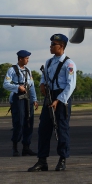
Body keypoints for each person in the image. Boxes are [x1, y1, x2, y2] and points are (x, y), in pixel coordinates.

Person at [28, 34, 76, 172]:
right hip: (49, 96)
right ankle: (42, 160)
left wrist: (59, 100)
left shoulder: (69, 64)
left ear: (61, 46)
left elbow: (70, 85)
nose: (51, 46)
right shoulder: (49, 62)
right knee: (44, 129)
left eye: (53, 44)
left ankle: (62, 159)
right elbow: (44, 76)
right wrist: (42, 84)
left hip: (62, 98)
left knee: (62, 129)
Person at [3, 50, 39, 157]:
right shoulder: (12, 70)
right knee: (19, 122)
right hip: (18, 97)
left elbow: (31, 85)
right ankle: (15, 147)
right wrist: (17, 87)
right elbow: (5, 84)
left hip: (28, 98)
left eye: (28, 58)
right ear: (20, 59)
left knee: (29, 122)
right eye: (26, 58)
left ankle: (26, 147)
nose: (28, 60)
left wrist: (34, 99)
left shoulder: (28, 70)